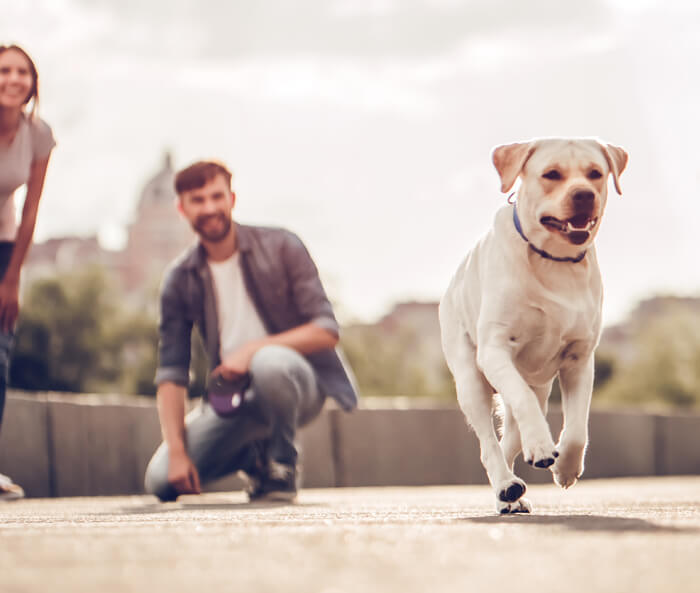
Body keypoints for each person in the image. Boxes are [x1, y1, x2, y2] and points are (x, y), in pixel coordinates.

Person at [144, 160, 357, 502]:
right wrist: (178, 452)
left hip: (299, 384)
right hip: (233, 399)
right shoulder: (180, 278)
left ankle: (282, 466)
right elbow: (171, 372)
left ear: (232, 198)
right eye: (198, 200)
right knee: (160, 481)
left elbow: (326, 330)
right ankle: (256, 458)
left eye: (217, 196)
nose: (210, 207)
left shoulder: (282, 246)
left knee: (269, 362)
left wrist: (251, 351)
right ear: (182, 208)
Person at [0, 45, 56, 501]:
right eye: (4, 71)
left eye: (22, 72)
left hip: (4, 245)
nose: (13, 79)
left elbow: (31, 210)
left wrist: (13, 278)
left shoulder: (38, 134)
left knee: (0, 352)